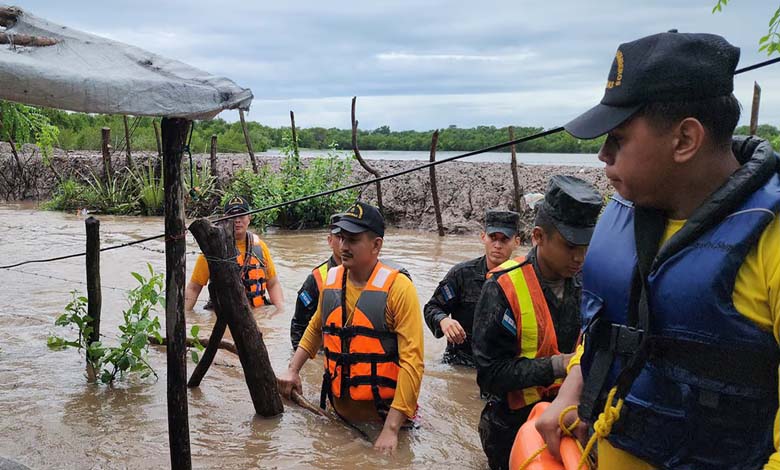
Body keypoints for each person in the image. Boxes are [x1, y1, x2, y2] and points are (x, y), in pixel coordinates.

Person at [535, 31, 780, 470]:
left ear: (685, 139)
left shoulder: (771, 240)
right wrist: (573, 387)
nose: (602, 156)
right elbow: (606, 323)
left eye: (619, 138)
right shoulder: (630, 206)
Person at [472, 175, 602, 470]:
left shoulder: (591, 281)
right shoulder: (501, 287)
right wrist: (561, 364)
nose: (580, 257)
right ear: (538, 236)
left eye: (586, 245)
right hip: (513, 428)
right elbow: (490, 375)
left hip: (572, 421)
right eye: (570, 246)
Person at [277, 202, 425, 454]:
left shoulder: (399, 289)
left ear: (376, 245)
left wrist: (390, 430)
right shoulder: (331, 279)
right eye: (342, 237)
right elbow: (315, 328)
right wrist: (292, 370)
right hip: (337, 417)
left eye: (353, 240)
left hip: (385, 423)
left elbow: (413, 362)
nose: (343, 246)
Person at [424, 210, 521, 367]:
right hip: (458, 362)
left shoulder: (523, 280)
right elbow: (432, 307)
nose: (497, 245)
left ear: (516, 242)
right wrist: (444, 320)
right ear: (483, 237)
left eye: (505, 240)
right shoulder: (461, 274)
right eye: (493, 238)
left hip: (501, 367)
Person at [184, 196, 284, 312]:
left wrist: (280, 311)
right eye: (232, 216)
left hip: (257, 313)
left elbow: (273, 284)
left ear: (249, 217)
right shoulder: (212, 250)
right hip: (224, 317)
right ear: (224, 219)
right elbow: (194, 287)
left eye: (242, 215)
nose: (237, 220)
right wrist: (185, 316)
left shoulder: (261, 247)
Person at [290, 214, 343, 349]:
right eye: (340, 237)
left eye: (351, 238)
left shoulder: (366, 273)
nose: (345, 243)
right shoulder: (316, 279)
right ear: (330, 241)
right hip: (325, 353)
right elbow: (298, 327)